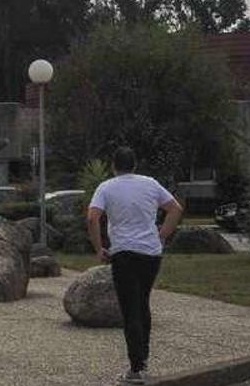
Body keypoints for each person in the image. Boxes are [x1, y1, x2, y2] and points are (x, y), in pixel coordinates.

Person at [87, 147, 184, 385]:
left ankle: (136, 367)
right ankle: (144, 358)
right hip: (150, 252)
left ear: (113, 165)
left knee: (130, 308)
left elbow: (92, 217)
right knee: (142, 302)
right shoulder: (150, 184)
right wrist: (161, 235)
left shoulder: (106, 187)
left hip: (124, 252)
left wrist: (99, 247)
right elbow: (175, 209)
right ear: (135, 164)